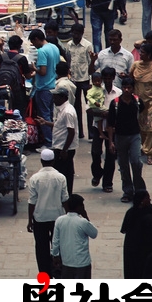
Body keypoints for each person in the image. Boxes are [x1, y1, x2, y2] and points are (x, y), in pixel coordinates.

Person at [27, 148, 69, 276]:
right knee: (58, 246)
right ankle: (58, 269)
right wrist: (67, 216)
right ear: (53, 161)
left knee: (41, 247)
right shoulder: (60, 177)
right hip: (57, 217)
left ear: (41, 161)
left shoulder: (35, 178)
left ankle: (45, 272)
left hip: (40, 217)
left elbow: (32, 202)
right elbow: (65, 199)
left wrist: (30, 220)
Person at [107, 76, 146, 203]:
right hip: (120, 137)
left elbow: (143, 115)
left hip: (134, 135)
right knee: (123, 165)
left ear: (133, 88)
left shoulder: (138, 101)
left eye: (129, 87)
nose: (127, 90)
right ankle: (128, 191)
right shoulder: (115, 103)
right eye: (124, 87)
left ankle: (140, 190)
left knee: (136, 162)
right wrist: (111, 142)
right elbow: (110, 125)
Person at [37, 87, 79, 195]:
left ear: (63, 98)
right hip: (60, 146)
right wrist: (45, 122)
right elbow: (59, 126)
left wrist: (64, 150)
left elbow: (71, 132)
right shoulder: (61, 110)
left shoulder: (68, 112)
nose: (53, 100)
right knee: (64, 172)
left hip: (64, 148)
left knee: (64, 174)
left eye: (55, 98)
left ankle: (65, 195)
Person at [50, 193, 98, 279]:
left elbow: (55, 241)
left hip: (66, 262)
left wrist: (55, 255)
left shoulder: (59, 220)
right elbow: (94, 234)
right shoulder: (82, 222)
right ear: (79, 207)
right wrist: (86, 217)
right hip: (82, 263)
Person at [28, 29, 60, 149]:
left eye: (33, 43)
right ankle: (54, 140)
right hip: (53, 85)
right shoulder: (54, 47)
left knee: (44, 117)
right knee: (51, 115)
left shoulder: (42, 51)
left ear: (36, 39)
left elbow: (42, 71)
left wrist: (34, 68)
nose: (34, 46)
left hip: (44, 87)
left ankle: (48, 142)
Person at [120, 191, 152, 279]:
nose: (149, 199)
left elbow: (124, 229)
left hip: (130, 248)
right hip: (143, 251)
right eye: (147, 198)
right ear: (142, 200)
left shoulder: (130, 212)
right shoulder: (147, 217)